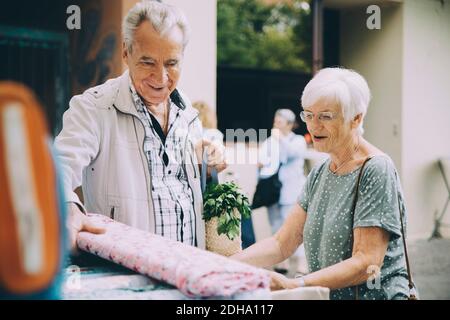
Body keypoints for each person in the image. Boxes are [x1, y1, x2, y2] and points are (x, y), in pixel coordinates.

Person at [54, 1, 226, 251]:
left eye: (171, 63)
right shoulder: (93, 108)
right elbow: (57, 170)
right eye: (147, 62)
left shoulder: (188, 113)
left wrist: (205, 162)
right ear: (126, 53)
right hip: (128, 276)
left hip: (189, 273)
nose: (161, 77)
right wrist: (69, 208)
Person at [232, 67, 412, 300]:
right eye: (308, 114)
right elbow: (281, 243)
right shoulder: (320, 172)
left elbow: (366, 262)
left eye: (326, 116)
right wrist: (223, 264)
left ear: (356, 118)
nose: (314, 126)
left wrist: (295, 284)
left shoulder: (376, 169)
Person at [257, 109, 308, 273]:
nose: (276, 125)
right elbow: (262, 161)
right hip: (272, 192)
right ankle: (281, 261)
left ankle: (301, 262)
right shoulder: (270, 141)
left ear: (289, 124)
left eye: (280, 122)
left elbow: (292, 154)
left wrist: (281, 141)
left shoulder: (298, 140)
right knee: (276, 226)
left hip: (291, 191)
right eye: (275, 121)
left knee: (295, 228)